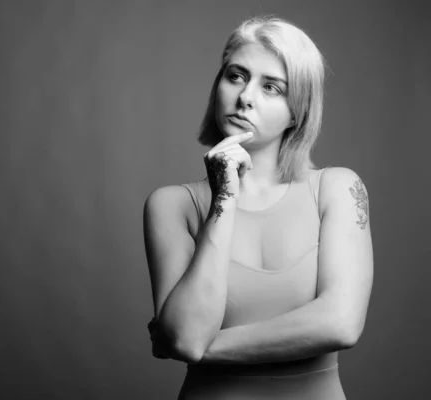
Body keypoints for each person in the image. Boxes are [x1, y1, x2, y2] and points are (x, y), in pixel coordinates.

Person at [142, 16, 374, 399]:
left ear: (298, 111)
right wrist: (225, 197)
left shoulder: (337, 189)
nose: (245, 96)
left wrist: (201, 348)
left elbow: (341, 324)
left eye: (271, 87)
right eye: (236, 76)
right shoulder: (171, 205)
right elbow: (186, 335)